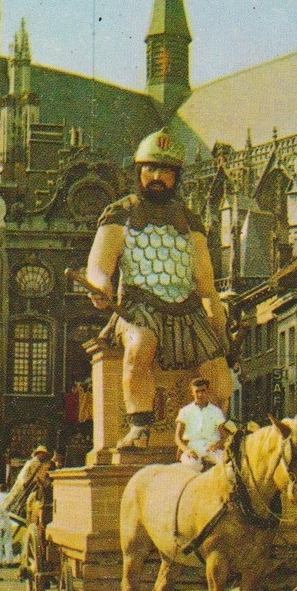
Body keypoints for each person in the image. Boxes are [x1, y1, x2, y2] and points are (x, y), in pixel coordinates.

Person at [85, 128, 231, 449]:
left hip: (187, 311)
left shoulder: (191, 221)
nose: (157, 177)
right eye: (150, 169)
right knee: (141, 342)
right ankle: (139, 426)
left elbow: (206, 287)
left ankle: (215, 438)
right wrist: (100, 286)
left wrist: (220, 332)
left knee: (217, 371)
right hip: (139, 306)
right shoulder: (120, 213)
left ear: (176, 177)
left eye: (165, 171)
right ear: (139, 171)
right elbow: (99, 264)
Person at [174, 377, 228, 471]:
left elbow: (224, 436)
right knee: (191, 466)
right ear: (192, 393)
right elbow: (177, 438)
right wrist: (187, 450)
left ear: (208, 391)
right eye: (197, 391)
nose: (200, 394)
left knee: (227, 466)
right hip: (192, 449)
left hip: (212, 449)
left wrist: (216, 446)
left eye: (203, 391)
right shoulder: (185, 411)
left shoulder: (216, 411)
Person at [1, 445, 54, 520]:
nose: (44, 456)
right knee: (14, 497)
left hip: (30, 484)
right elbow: (24, 473)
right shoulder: (32, 462)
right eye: (43, 454)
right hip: (23, 484)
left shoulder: (40, 463)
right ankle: (5, 512)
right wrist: (24, 482)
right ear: (39, 453)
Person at [0, 482, 17, 566]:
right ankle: (9, 560)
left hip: (0, 520)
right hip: (8, 519)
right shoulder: (9, 496)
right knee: (8, 541)